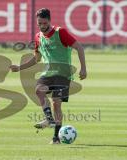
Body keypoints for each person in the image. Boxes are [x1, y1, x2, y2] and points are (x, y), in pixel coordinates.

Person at [10, 8, 87, 144]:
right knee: (38, 90)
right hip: (47, 73)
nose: (42, 26)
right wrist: (19, 68)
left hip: (63, 73)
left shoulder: (60, 32)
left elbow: (79, 47)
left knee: (56, 104)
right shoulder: (38, 37)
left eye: (44, 23)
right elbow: (36, 59)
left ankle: (56, 137)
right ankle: (49, 119)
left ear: (49, 21)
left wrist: (83, 68)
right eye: (39, 23)